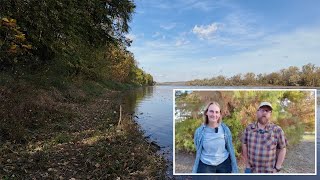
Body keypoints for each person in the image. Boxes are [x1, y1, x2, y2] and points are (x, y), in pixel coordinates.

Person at [192, 102, 238, 173]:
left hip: (224, 164)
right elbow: (197, 146)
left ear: (219, 114)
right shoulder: (199, 131)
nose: (214, 114)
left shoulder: (225, 129)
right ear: (206, 113)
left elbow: (229, 146)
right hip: (206, 165)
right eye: (211, 111)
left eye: (217, 112)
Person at [241, 101, 287, 173]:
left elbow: (282, 148)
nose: (264, 113)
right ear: (257, 112)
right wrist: (247, 165)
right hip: (252, 171)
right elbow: (244, 144)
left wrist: (277, 167)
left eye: (267, 111)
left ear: (270, 114)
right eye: (262, 110)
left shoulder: (277, 130)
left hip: (269, 173)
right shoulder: (249, 128)